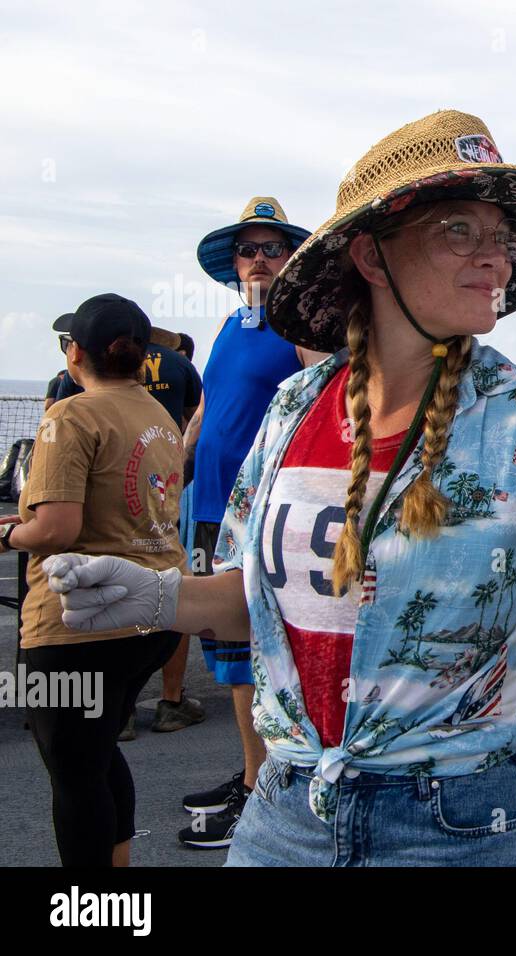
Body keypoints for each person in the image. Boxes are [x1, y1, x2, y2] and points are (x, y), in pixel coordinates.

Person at [45, 109, 516, 867]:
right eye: (460, 232)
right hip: (285, 816)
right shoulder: (294, 407)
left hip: (463, 827)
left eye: (501, 238)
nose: (496, 263)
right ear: (372, 257)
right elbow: (249, 598)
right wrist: (156, 597)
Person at [0, 294, 187, 866]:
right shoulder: (159, 417)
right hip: (155, 615)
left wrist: (10, 535)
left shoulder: (71, 414)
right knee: (99, 755)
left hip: (77, 628)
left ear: (74, 353)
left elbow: (56, 527)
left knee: (74, 775)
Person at [179, 196, 329, 847]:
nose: (260, 258)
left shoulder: (297, 324)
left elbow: (321, 398)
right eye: (249, 248)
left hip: (256, 513)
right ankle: (250, 775)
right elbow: (209, 406)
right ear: (234, 261)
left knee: (249, 659)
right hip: (206, 508)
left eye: (274, 248)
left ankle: (256, 792)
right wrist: (173, 466)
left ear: (292, 258)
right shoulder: (231, 324)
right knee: (227, 655)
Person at [51, 317, 206, 738]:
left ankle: (116, 716)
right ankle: (171, 701)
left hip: (96, 511)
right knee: (169, 591)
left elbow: (57, 438)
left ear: (78, 349)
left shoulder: (73, 389)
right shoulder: (178, 365)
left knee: (97, 594)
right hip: (159, 495)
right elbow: (196, 423)